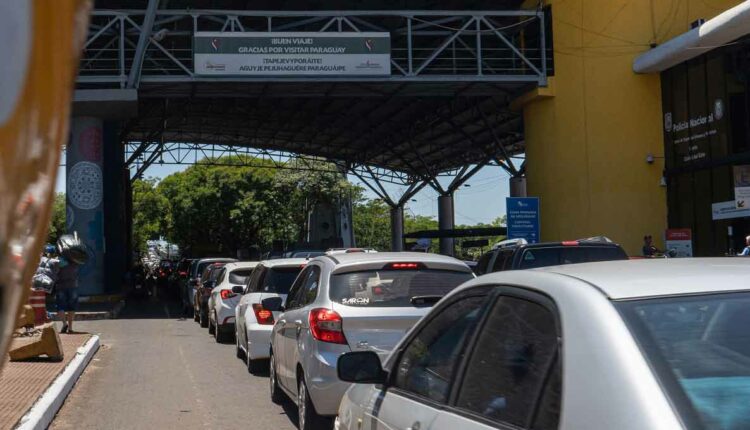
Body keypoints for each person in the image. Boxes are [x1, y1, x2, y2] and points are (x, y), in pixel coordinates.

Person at [55, 254, 80, 333]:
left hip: (60, 286)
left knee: (60, 306)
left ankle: (64, 323)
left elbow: (54, 272)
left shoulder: (58, 260)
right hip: (73, 285)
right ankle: (70, 328)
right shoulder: (76, 259)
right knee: (71, 307)